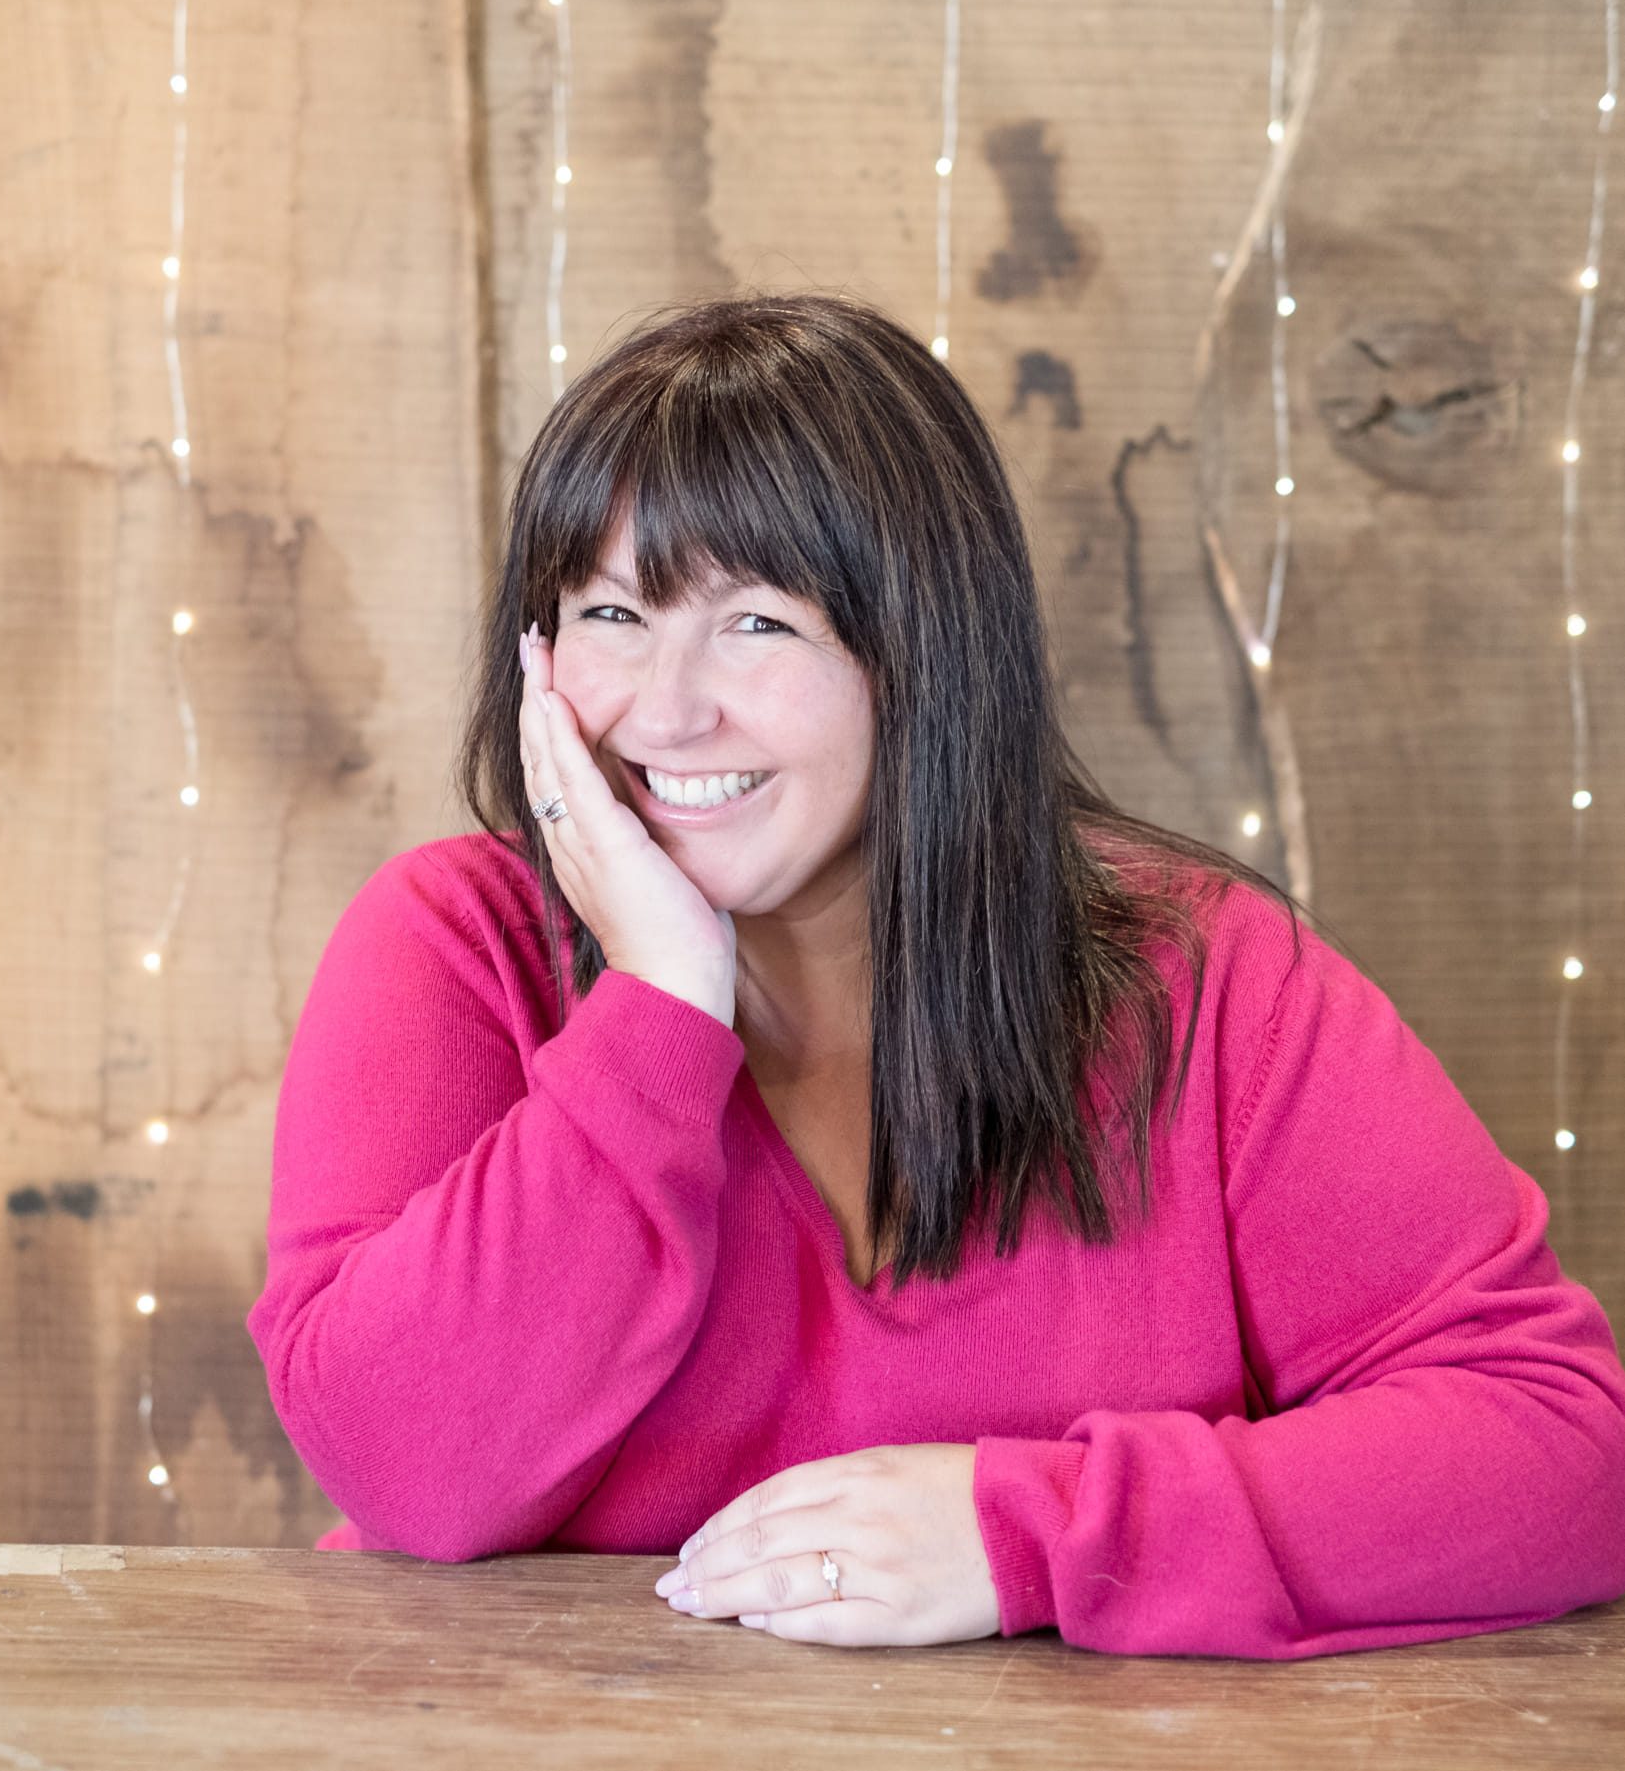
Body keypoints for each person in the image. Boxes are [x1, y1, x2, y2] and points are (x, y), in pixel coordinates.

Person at [246, 291, 1625, 1658]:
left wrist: (1026, 1529)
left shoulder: (1205, 981)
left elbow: (1561, 1452)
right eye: (611, 616)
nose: (664, 713)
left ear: (922, 652)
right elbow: (407, 1470)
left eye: (756, 625)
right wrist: (660, 1000)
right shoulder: (449, 944)